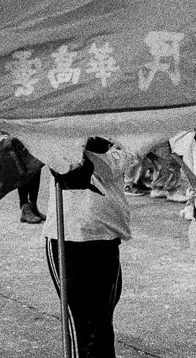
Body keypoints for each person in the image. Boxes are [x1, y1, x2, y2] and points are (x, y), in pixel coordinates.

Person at [44, 138, 132, 358]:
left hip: (106, 234)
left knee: (102, 325)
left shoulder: (120, 131)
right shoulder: (59, 131)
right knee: (85, 332)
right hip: (69, 238)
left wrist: (87, 144)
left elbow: (114, 165)